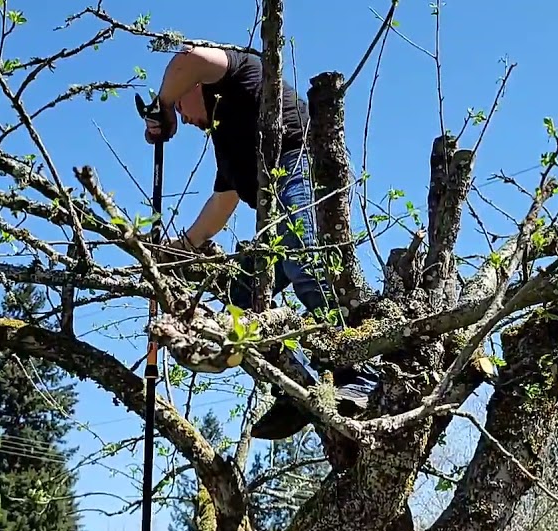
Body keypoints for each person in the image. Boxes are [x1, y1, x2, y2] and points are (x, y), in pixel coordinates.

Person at [141, 44, 380, 440]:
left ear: (191, 87)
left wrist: (161, 106)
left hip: (296, 165)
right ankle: (299, 385)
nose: (183, 119)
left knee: (303, 264)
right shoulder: (229, 140)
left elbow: (189, 58)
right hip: (274, 201)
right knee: (242, 294)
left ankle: (359, 374)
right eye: (176, 115)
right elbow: (222, 203)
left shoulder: (238, 72)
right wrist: (179, 250)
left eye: (181, 108)